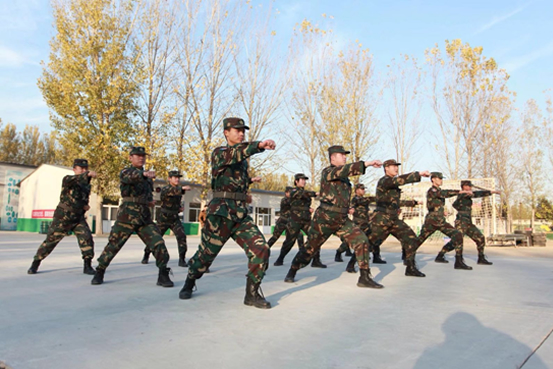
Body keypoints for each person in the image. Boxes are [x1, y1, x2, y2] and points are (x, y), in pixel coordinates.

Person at [179, 117, 276, 309]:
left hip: (240, 215)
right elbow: (236, 153)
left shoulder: (242, 161)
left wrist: (246, 186)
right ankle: (190, 280)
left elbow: (234, 179)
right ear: (226, 132)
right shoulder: (220, 153)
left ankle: (252, 293)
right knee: (205, 256)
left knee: (261, 249)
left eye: (243, 131)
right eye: (236, 130)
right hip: (220, 214)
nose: (241, 133)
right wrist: (260, 145)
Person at [284, 145, 383, 289]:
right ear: (332, 158)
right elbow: (345, 170)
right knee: (310, 249)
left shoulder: (344, 180)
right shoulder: (328, 172)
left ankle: (364, 276)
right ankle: (293, 269)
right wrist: (367, 163)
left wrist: (346, 208)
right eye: (341, 155)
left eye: (345, 155)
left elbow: (340, 194)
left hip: (341, 219)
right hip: (324, 218)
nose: (344, 157)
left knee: (361, 240)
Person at [91, 146, 173, 287]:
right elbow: (130, 177)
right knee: (113, 246)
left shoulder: (147, 178)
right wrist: (144, 175)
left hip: (144, 218)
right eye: (137, 155)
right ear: (130, 158)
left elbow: (144, 193)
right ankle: (100, 271)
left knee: (158, 243)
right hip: (127, 217)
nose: (141, 158)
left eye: (143, 156)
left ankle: (163, 274)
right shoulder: (126, 172)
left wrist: (149, 202)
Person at [27, 159, 96, 275]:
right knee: (50, 241)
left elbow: (81, 199)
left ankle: (87, 265)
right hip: (63, 217)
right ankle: (35, 263)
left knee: (87, 238)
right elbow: (77, 179)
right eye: (81, 168)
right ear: (75, 169)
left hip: (78, 217)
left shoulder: (86, 186)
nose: (84, 170)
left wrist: (84, 205)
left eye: (86, 168)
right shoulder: (68, 179)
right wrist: (88, 174)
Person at [367, 159, 430, 277]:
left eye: (396, 166)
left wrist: (412, 203)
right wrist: (419, 174)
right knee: (369, 243)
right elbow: (400, 180)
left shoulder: (393, 184)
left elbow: (396, 201)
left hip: (393, 219)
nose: (396, 168)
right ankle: (353, 263)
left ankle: (410, 267)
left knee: (411, 238)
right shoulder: (385, 181)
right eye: (393, 166)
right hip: (381, 219)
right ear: (386, 168)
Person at [417, 172, 472, 270]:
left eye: (441, 178)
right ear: (433, 179)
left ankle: (458, 261)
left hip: (439, 220)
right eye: (439, 178)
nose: (441, 180)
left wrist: (442, 212)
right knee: (419, 240)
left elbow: (435, 205)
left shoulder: (437, 190)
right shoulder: (433, 190)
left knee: (457, 235)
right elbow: (443, 194)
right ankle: (407, 256)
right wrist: (460, 192)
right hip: (432, 221)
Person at [438, 181, 500, 265]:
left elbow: (456, 204)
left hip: (468, 222)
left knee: (480, 238)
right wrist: (491, 192)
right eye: (469, 186)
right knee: (456, 241)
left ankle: (481, 258)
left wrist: (490, 192)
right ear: (464, 187)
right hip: (461, 222)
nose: (470, 188)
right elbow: (477, 194)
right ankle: (441, 254)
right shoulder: (463, 194)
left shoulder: (466, 195)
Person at [141, 170, 191, 267]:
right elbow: (172, 192)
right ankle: (146, 255)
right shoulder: (166, 189)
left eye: (178, 177)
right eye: (175, 177)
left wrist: (179, 208)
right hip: (163, 219)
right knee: (155, 238)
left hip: (174, 218)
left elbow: (175, 201)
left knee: (182, 236)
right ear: (169, 179)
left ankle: (182, 259)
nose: (177, 179)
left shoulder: (178, 190)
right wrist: (183, 188)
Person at [279, 174, 325, 267]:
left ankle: (316, 260)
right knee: (289, 242)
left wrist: (309, 209)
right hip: (295, 221)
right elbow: (303, 194)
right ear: (296, 181)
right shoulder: (293, 191)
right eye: (302, 180)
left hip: (306, 220)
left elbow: (304, 203)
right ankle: (280, 258)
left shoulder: (305, 192)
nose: (304, 181)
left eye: (305, 180)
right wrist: (315, 193)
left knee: (315, 238)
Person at [268, 187, 306, 266]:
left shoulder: (293, 201)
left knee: (299, 236)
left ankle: (302, 255)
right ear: (286, 193)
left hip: (291, 223)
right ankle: (264, 250)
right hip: (282, 221)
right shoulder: (285, 200)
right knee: (275, 237)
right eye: (290, 192)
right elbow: (292, 203)